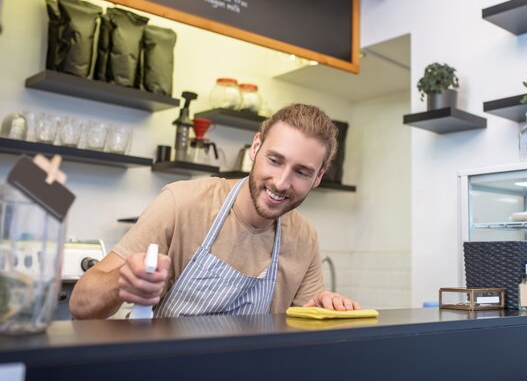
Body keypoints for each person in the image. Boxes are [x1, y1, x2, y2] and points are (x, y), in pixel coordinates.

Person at [70, 103, 359, 319]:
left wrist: (328, 311)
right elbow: (80, 305)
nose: (281, 182)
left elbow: (302, 337)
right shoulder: (181, 203)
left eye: (301, 172)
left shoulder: (304, 239)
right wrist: (122, 282)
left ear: (318, 177)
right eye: (274, 160)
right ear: (256, 147)